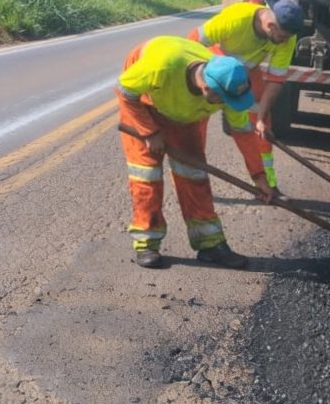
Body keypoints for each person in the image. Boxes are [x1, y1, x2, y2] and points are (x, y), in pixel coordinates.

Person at [115, 35, 275, 271]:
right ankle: (147, 243)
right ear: (208, 87)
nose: (229, 104)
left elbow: (242, 132)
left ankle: (210, 245)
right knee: (146, 176)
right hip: (143, 104)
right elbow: (125, 89)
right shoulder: (163, 64)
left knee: (195, 176)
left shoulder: (225, 82)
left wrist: (259, 177)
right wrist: (149, 132)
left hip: (182, 114)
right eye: (225, 99)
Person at [189, 0, 305, 194]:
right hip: (212, 65)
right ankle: (193, 183)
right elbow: (191, 42)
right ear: (270, 25)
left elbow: (276, 80)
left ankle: (266, 182)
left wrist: (260, 118)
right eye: (283, 36)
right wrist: (197, 79)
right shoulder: (236, 18)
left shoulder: (287, 35)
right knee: (196, 123)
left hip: (246, 72)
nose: (286, 41)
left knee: (262, 122)